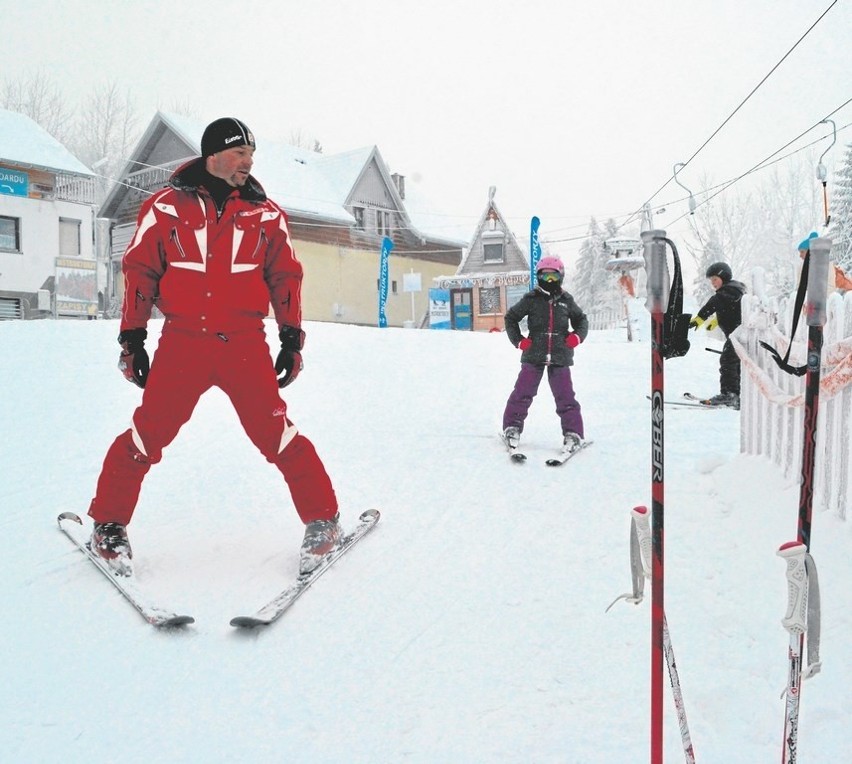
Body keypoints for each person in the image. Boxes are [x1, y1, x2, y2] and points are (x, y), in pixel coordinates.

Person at [87, 117, 339, 577]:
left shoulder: (266, 214)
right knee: (147, 436)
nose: (248, 162)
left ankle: (323, 520)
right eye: (241, 153)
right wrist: (133, 337)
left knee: (276, 435)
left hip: (244, 345)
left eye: (251, 155)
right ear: (214, 155)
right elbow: (141, 271)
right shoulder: (164, 208)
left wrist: (290, 338)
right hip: (183, 344)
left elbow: (285, 277)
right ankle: (108, 526)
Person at [501, 256, 589, 451]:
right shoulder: (531, 299)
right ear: (538, 277)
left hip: (560, 356)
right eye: (545, 276)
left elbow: (581, 320)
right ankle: (512, 427)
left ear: (561, 277)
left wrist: (577, 337)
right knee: (523, 393)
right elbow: (511, 318)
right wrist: (519, 340)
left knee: (565, 397)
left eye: (553, 276)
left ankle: (573, 433)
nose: (549, 281)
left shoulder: (566, 301)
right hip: (534, 355)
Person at [689, 261, 746, 409]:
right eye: (711, 280)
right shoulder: (733, 290)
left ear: (724, 277)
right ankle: (737, 394)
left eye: (715, 279)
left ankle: (729, 394)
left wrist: (699, 319)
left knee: (728, 362)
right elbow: (729, 309)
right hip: (738, 335)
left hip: (737, 336)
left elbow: (714, 303)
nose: (713, 283)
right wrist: (716, 320)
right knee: (734, 363)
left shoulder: (728, 291)